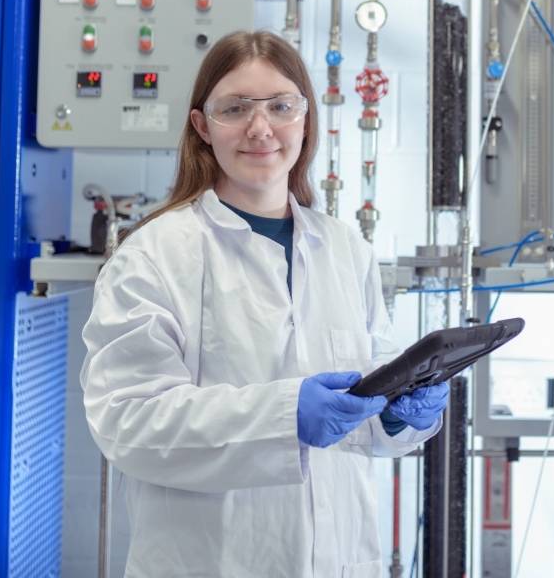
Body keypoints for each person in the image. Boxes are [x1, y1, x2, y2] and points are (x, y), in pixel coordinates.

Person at [80, 30, 449, 578]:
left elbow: (363, 416)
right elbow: (127, 422)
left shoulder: (346, 250)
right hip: (210, 562)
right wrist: (283, 416)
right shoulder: (156, 255)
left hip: (339, 561)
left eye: (281, 106)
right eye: (235, 108)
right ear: (202, 126)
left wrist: (399, 416)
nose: (261, 128)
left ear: (305, 119)